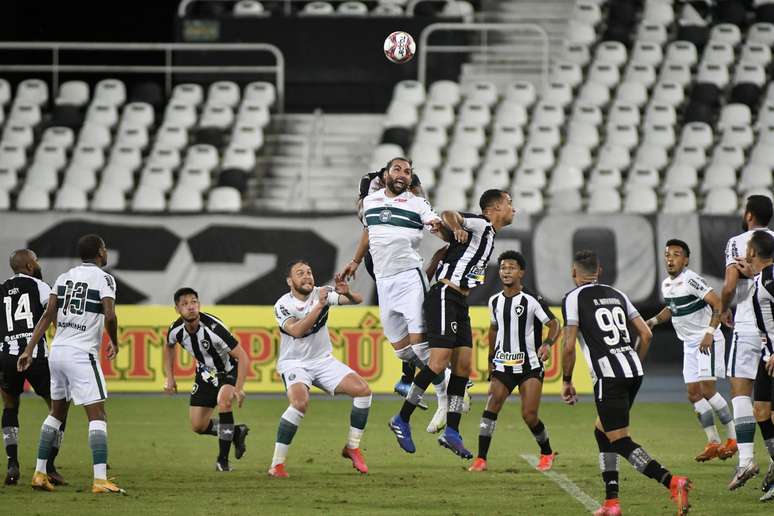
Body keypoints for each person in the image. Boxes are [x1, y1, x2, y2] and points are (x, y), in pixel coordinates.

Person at [561, 250, 691, 516]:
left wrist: (566, 380)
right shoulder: (617, 294)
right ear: (599, 272)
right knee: (602, 432)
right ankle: (612, 502)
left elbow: (569, 345)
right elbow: (646, 334)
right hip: (632, 371)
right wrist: (635, 363)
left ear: (574, 272)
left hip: (609, 376)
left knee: (619, 440)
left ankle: (671, 481)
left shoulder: (573, 298)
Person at [389, 189, 515, 459]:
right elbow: (449, 214)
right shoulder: (481, 223)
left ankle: (452, 432)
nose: (513, 208)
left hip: (460, 301)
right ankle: (401, 418)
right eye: (509, 203)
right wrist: (456, 227)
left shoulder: (489, 235)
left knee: (463, 367)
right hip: (446, 294)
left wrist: (451, 234)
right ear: (494, 208)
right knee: (438, 362)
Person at [343, 157, 450, 433]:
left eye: (408, 171)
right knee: (403, 350)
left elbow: (435, 224)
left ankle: (446, 399)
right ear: (386, 174)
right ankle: (448, 378)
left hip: (409, 278)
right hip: (383, 281)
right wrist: (355, 261)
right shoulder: (371, 201)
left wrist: (445, 230)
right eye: (397, 169)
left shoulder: (417, 203)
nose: (403, 174)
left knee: (421, 346)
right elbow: (369, 231)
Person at [17, 235, 124, 493]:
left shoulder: (64, 277)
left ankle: (39, 473)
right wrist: (114, 340)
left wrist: (29, 349)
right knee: (97, 415)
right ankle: (100, 480)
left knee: (56, 413)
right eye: (104, 248)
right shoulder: (104, 279)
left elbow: (48, 314)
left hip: (58, 352)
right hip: (81, 354)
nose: (106, 252)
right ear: (100, 252)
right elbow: (109, 315)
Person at [268, 261, 371, 478]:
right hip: (294, 363)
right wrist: (319, 306)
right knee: (299, 403)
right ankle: (277, 465)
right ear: (290, 281)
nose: (306, 276)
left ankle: (352, 447)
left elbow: (357, 300)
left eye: (309, 272)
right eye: (300, 273)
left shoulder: (322, 293)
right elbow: (296, 331)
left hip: (322, 361)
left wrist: (347, 293)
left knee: (363, 391)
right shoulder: (282, 305)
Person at [468, 251, 560, 473]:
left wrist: (547, 344)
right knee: (491, 406)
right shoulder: (494, 301)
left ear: (521, 272)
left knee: (529, 415)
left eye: (511, 268)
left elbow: (554, 323)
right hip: (503, 364)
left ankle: (546, 452)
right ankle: (481, 459)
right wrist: (491, 358)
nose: (506, 271)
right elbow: (493, 329)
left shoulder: (531, 300)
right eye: (503, 268)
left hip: (530, 366)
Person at [648, 239, 737, 462]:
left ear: (686, 260)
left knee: (707, 390)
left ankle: (734, 439)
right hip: (689, 344)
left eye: (676, 255)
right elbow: (672, 308)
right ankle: (713, 442)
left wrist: (709, 332)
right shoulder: (666, 284)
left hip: (707, 340)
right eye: (667, 255)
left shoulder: (691, 279)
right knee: (694, 394)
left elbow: (717, 303)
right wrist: (653, 321)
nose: (670, 259)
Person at [720, 195, 774, 489]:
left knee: (740, 391)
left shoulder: (738, 242)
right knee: (766, 405)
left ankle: (746, 460)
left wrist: (722, 309)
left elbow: (730, 285)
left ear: (749, 215)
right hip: (771, 332)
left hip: (747, 325)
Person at [164, 287, 250, 472]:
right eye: (185, 304)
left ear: (199, 305)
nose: (191, 307)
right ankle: (235, 431)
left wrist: (239, 388)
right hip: (205, 374)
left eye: (194, 302)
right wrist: (170, 377)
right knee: (198, 426)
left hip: (229, 370)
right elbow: (169, 346)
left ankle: (222, 461)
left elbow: (243, 357)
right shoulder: (175, 330)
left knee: (224, 402)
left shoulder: (214, 329)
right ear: (177, 309)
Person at [0, 249, 65, 485]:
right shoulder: (40, 286)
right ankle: (48, 466)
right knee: (59, 408)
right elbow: (53, 316)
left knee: (10, 407)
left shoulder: (1, 289)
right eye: (36, 261)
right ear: (29, 266)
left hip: (6, 357)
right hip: (35, 356)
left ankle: (12, 462)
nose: (38, 264)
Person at [741, 230, 774, 502]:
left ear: (753, 252)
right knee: (761, 410)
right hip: (767, 357)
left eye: (747, 249)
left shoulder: (771, 279)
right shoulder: (761, 278)